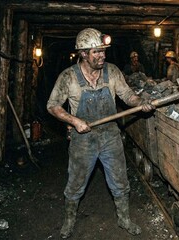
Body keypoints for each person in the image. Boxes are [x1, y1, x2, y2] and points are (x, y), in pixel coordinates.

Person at [47, 28, 155, 239]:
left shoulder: (112, 72)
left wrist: (140, 102)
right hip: (83, 140)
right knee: (76, 183)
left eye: (103, 51)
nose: (102, 56)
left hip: (110, 136)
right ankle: (69, 221)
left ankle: (124, 219)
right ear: (83, 54)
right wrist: (74, 121)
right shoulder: (68, 77)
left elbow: (127, 95)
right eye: (96, 52)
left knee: (120, 181)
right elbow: (52, 106)